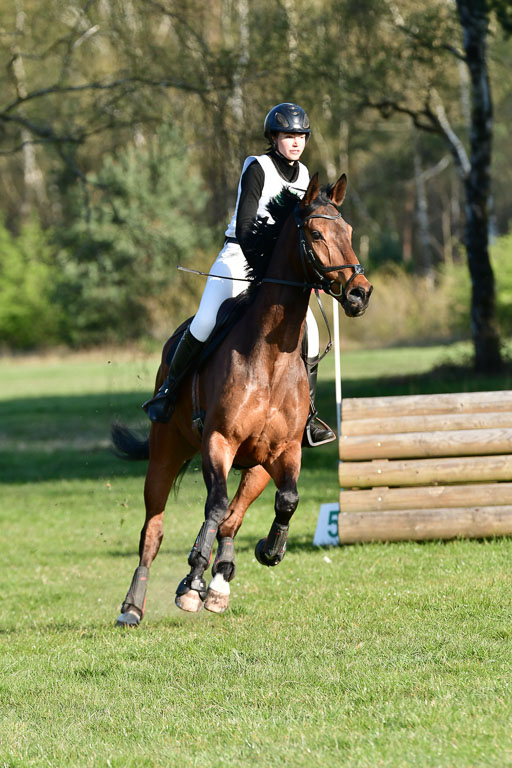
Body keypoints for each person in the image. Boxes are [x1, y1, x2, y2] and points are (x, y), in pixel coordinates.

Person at [143, 102, 335, 446]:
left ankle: (309, 417)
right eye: (288, 135)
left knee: (315, 335)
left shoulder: (306, 176)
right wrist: (262, 268)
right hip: (238, 255)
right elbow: (247, 226)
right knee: (204, 321)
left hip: (280, 272)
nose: (295, 142)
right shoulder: (257, 167)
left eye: (301, 136)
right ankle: (168, 393)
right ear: (273, 137)